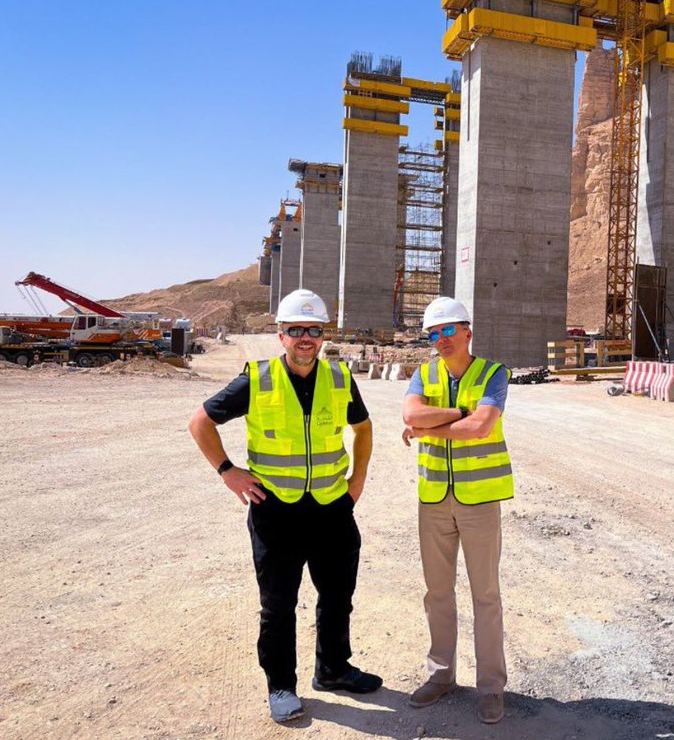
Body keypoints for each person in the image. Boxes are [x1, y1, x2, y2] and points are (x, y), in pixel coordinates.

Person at [187, 288, 380, 723]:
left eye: (313, 330)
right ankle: (280, 686)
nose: (305, 338)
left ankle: (333, 669)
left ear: (323, 335)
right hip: (276, 511)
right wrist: (227, 471)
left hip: (331, 507)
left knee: (337, 596)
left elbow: (364, 428)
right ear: (281, 335)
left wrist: (358, 479)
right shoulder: (257, 379)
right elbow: (200, 422)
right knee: (278, 605)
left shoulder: (339, 377)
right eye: (296, 330)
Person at [401, 296, 512, 724]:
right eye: (434, 333)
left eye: (448, 330)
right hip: (433, 499)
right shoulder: (423, 373)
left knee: (486, 595)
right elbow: (411, 413)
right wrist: (456, 414)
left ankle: (491, 687)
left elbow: (481, 426)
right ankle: (441, 675)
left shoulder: (493, 374)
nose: (441, 339)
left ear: (467, 332)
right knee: (437, 593)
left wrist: (429, 427)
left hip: (479, 499)